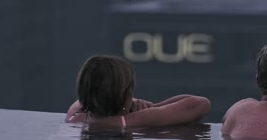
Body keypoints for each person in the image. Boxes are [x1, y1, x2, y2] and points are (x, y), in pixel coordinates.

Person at [65, 55, 211, 129]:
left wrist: (130, 104)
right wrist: (152, 108)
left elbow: (81, 101)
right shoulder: (131, 121)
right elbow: (200, 104)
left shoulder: (75, 117)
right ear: (125, 93)